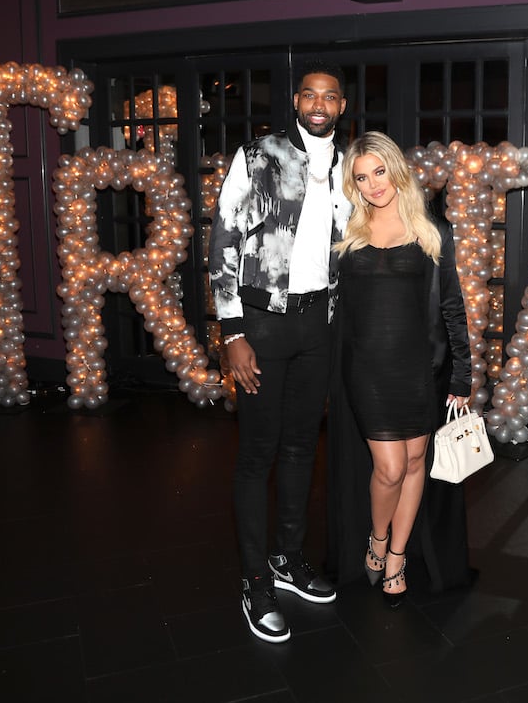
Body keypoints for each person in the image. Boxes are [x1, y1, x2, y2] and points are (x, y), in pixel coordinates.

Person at [207, 60, 352, 643]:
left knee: (299, 449)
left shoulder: (347, 164)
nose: (319, 105)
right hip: (261, 324)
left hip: (318, 323)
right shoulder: (257, 155)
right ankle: (253, 581)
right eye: (310, 95)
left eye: (331, 97)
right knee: (257, 454)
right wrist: (232, 333)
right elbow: (223, 240)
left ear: (341, 107)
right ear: (296, 101)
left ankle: (287, 561)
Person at [326, 131, 473, 607]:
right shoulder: (346, 234)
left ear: (395, 169)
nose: (372, 185)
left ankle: (396, 557)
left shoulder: (432, 232)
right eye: (361, 177)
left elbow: (452, 307)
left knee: (415, 464)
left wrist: (462, 375)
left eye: (379, 172)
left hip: (419, 370)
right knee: (389, 468)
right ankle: (376, 538)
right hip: (367, 369)